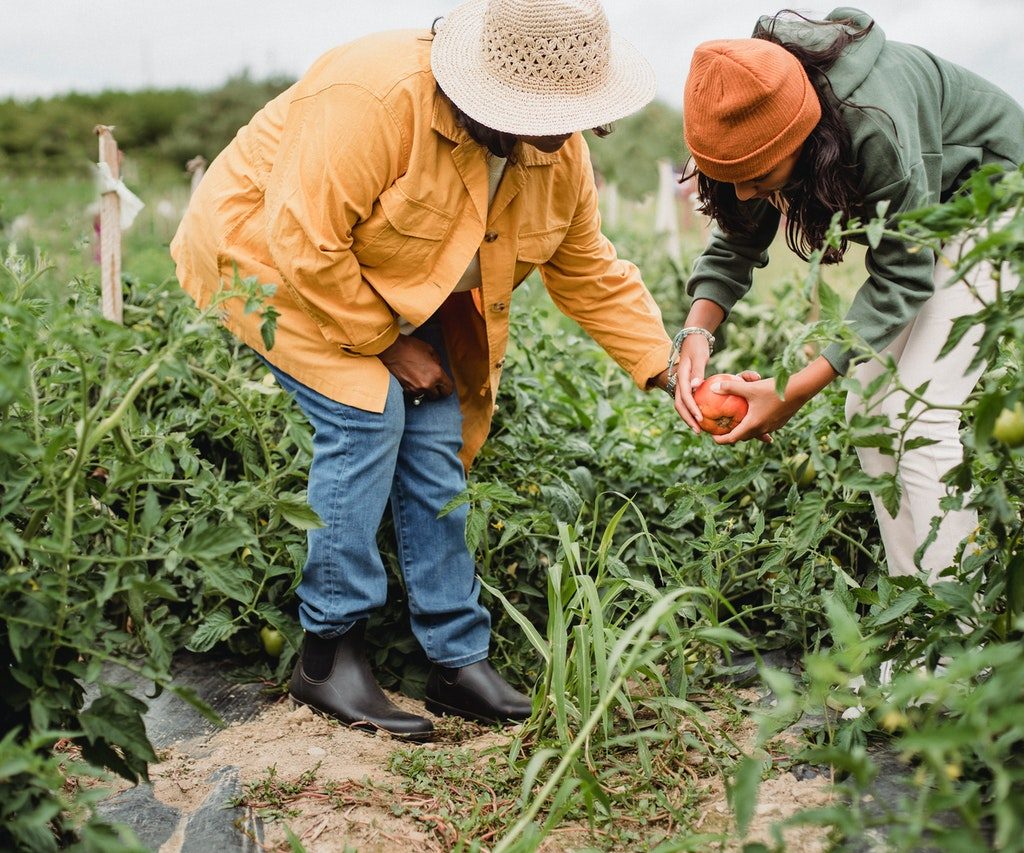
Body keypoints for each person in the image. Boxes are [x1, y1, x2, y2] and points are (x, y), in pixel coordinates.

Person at [170, 0, 675, 740]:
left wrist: (666, 369)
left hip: (390, 277)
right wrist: (388, 342)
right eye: (547, 114)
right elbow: (304, 242)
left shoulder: (554, 150)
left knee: (436, 435)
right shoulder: (375, 99)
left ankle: (456, 659)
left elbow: (588, 268)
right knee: (367, 411)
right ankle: (327, 651)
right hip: (268, 260)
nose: (563, 134)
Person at [672, 8, 1024, 584]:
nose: (743, 190)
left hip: (999, 205)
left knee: (919, 415)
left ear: (807, 140)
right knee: (868, 411)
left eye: (760, 175)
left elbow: (903, 276)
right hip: (935, 219)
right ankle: (914, 621)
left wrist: (790, 392)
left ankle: (956, 643)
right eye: (728, 174)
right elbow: (737, 238)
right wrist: (696, 331)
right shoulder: (754, 105)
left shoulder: (873, 125)